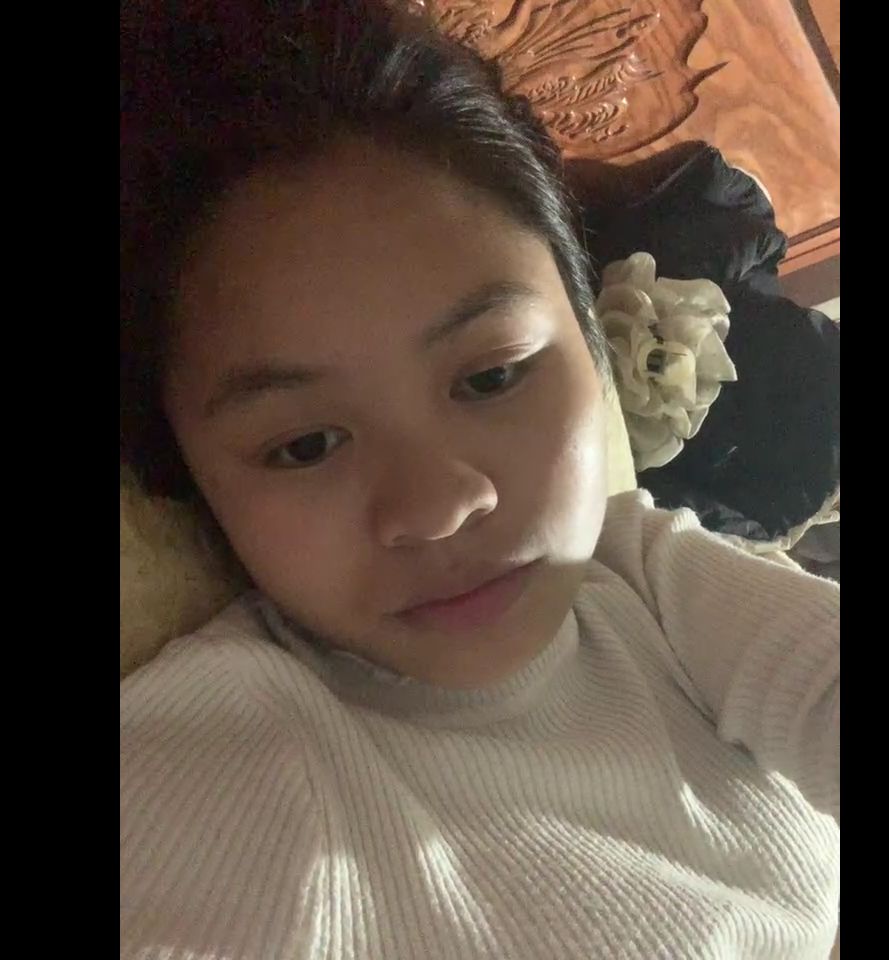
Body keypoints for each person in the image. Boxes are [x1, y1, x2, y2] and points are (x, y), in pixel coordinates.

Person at [120, 3, 840, 958]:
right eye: (307, 445)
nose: (439, 505)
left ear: (586, 330)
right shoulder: (220, 766)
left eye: (492, 377)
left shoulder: (639, 571)